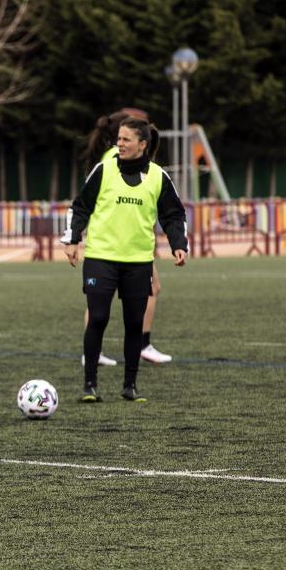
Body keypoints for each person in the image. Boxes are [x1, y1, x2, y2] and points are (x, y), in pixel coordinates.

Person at [61, 117, 188, 402]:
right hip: (100, 258)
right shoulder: (104, 169)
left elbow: (174, 214)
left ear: (142, 145)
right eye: (119, 139)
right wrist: (72, 239)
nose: (120, 144)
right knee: (98, 317)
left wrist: (179, 244)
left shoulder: (158, 176)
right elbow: (81, 206)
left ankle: (130, 386)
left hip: (138, 261)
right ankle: (89, 386)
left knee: (134, 323)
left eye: (126, 140)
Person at [80, 108, 174, 366]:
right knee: (145, 289)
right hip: (120, 244)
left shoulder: (112, 155)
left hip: (121, 242)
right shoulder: (116, 158)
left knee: (103, 298)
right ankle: (141, 345)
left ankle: (95, 351)